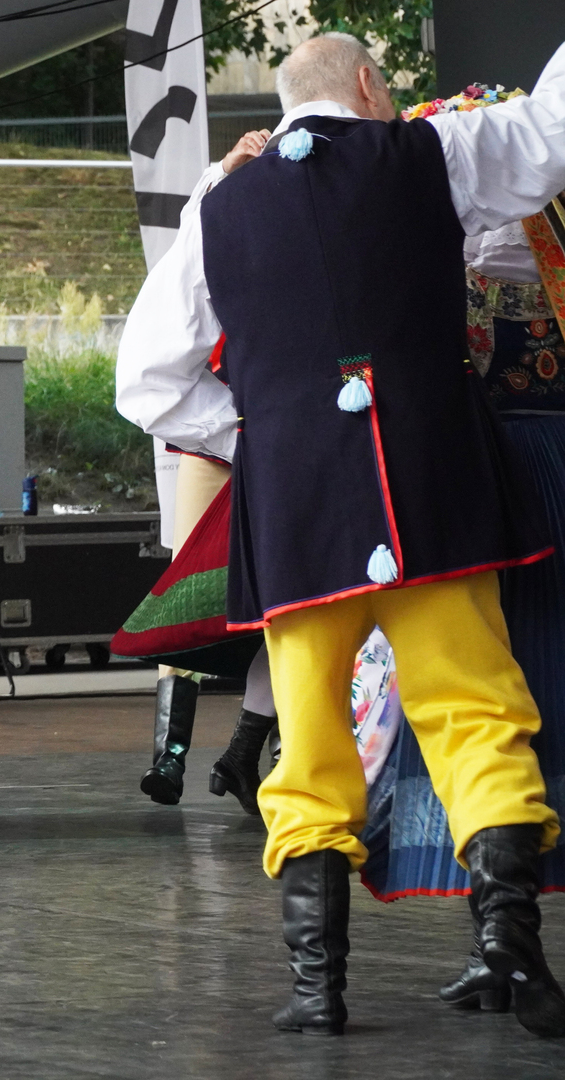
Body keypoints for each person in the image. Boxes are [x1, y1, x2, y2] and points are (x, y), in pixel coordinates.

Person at [115, 32, 565, 1037]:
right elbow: (552, 133)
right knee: (476, 712)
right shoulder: (429, 151)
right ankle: (508, 940)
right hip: (434, 491)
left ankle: (318, 991)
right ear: (368, 85)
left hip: (298, 510)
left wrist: (265, 433)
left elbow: (145, 382)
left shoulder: (217, 202)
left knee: (310, 736)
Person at [355, 83, 565, 1015]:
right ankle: (503, 940)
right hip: (519, 478)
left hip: (469, 484)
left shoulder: (424, 234)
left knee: (474, 703)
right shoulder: (522, 230)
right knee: (503, 702)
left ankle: (499, 938)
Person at [127, 129, 282, 815]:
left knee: (286, 601)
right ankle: (171, 751)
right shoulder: (206, 246)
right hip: (216, 442)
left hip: (274, 439)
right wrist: (223, 169)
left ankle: (256, 750)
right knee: (194, 595)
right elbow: (156, 376)